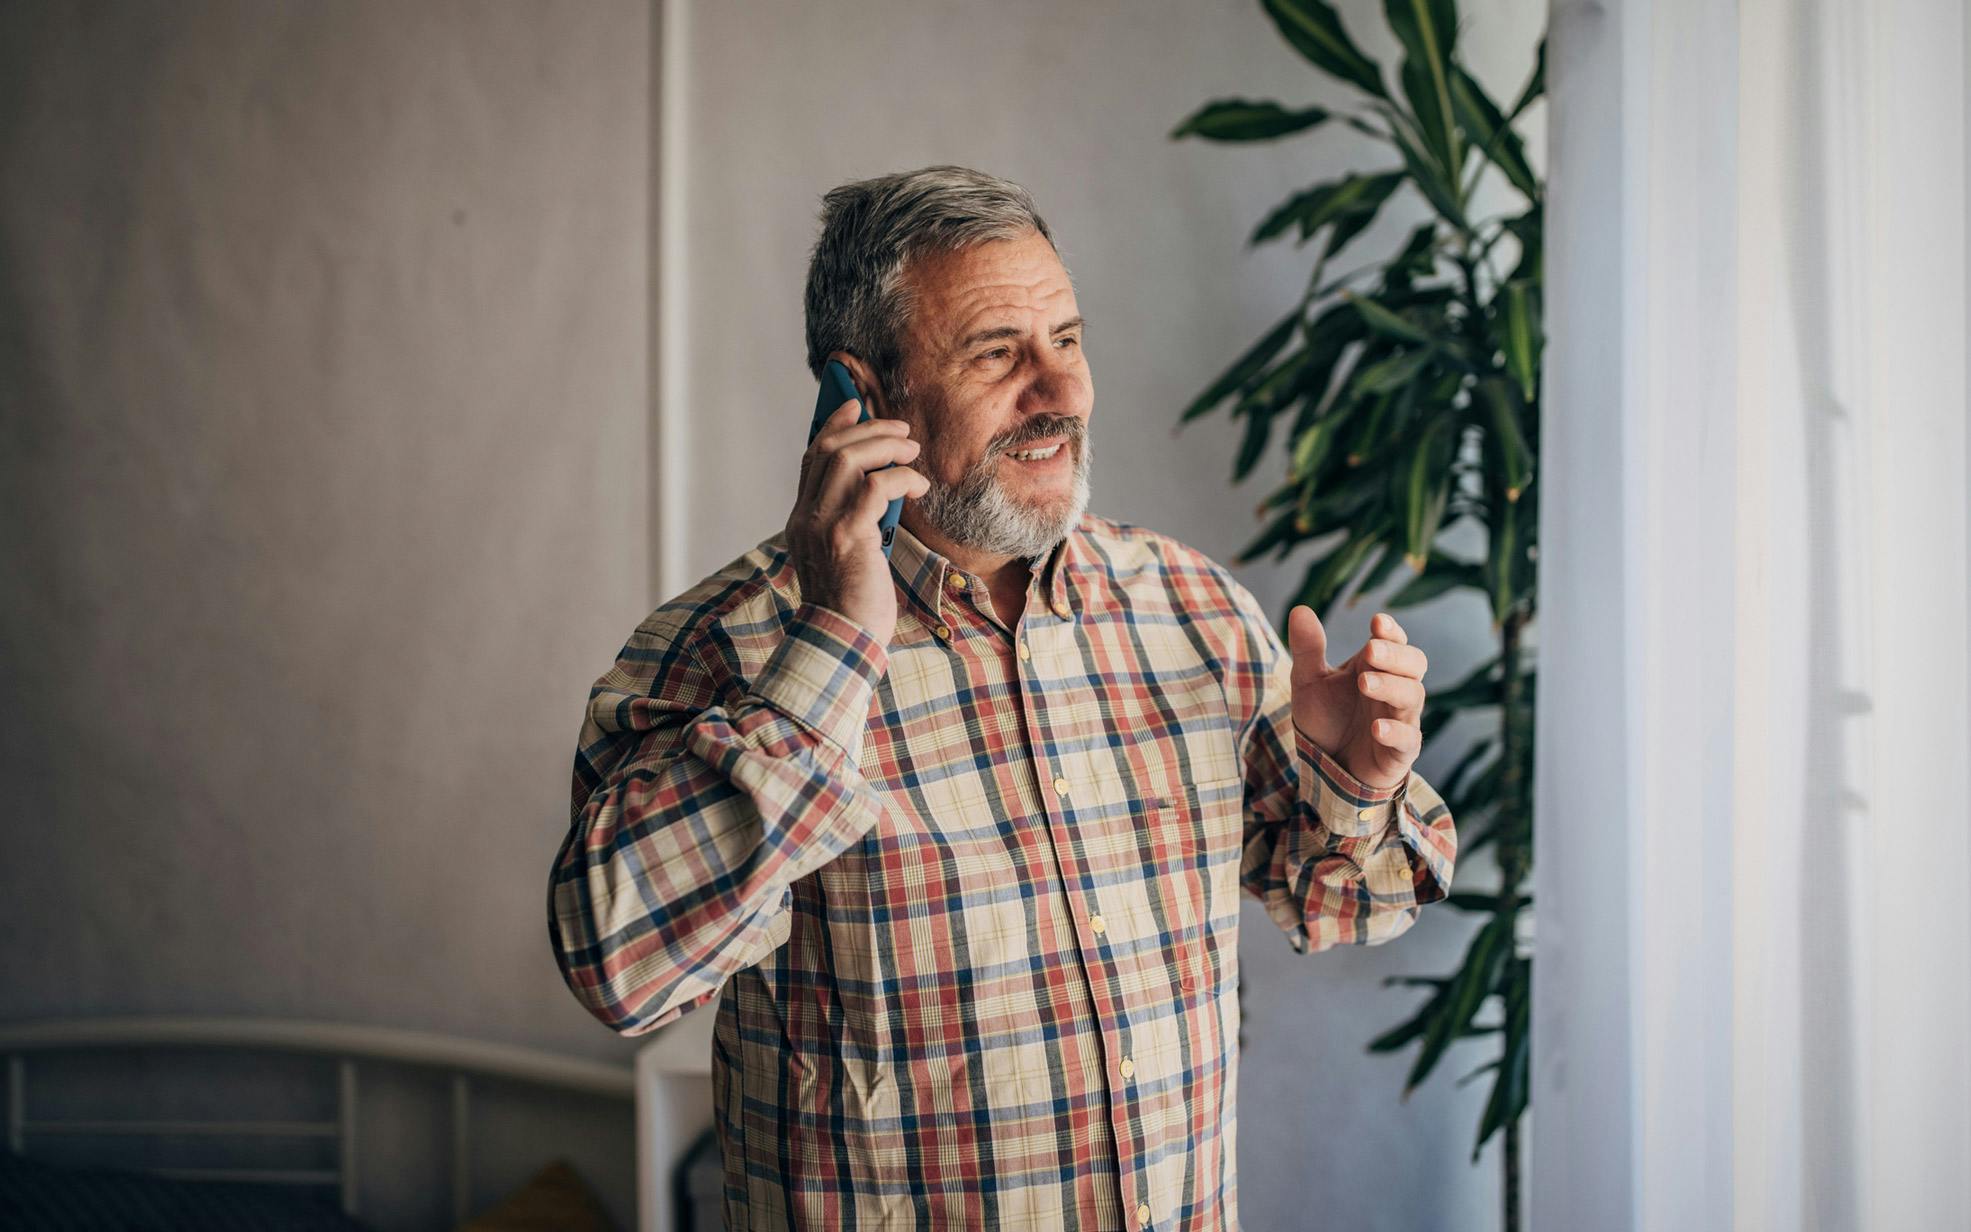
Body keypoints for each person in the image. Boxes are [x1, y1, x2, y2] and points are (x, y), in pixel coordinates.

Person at [549, 165, 1457, 1231]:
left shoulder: (1195, 609)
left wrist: (1351, 780)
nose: (1060, 392)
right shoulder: (718, 650)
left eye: (1067, 340)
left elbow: (1340, 900)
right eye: (998, 353)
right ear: (864, 398)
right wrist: (832, 645)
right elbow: (623, 970)